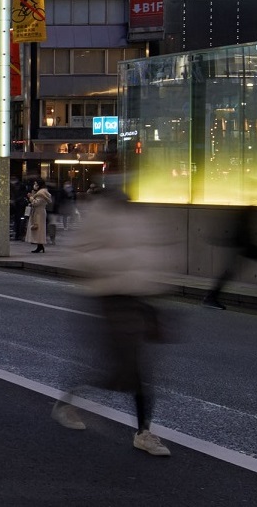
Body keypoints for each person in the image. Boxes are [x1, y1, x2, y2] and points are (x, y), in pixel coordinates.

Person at [59, 185, 184, 456]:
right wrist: (119, 261)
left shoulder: (138, 215)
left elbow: (154, 252)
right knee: (126, 367)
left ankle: (142, 431)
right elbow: (77, 256)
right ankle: (71, 399)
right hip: (111, 296)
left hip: (141, 297)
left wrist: (156, 283)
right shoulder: (96, 215)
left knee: (138, 368)